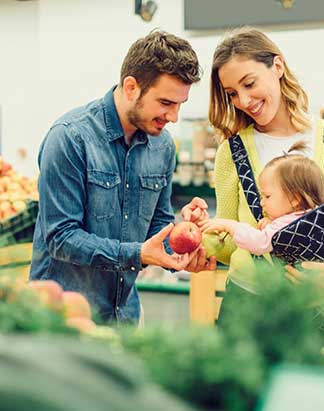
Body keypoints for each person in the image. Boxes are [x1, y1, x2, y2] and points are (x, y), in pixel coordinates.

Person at [194, 27, 324, 334]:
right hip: (250, 308)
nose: (243, 100)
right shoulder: (232, 151)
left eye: (249, 83)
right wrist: (204, 230)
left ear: (277, 67)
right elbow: (229, 244)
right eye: (232, 94)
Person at [30, 30, 215, 324]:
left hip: (125, 316)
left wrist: (182, 242)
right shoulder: (70, 137)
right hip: (62, 319)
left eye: (180, 104)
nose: (174, 117)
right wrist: (138, 254)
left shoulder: (163, 146)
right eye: (166, 103)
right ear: (131, 87)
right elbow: (61, 238)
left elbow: (157, 225)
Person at [199, 142, 324, 256]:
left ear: (295, 198)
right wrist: (272, 223)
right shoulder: (314, 218)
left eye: (267, 196)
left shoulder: (289, 223)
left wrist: (230, 226)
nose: (262, 203)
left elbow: (260, 242)